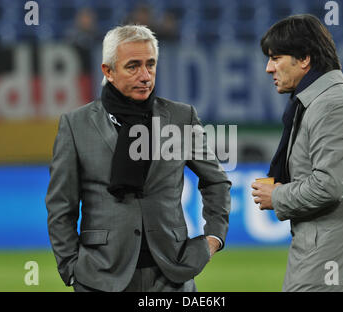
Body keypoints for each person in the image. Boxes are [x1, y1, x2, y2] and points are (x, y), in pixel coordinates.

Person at [45, 25, 231, 292]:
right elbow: (61, 205)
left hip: (172, 274)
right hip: (100, 276)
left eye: (150, 65)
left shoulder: (181, 118)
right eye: (133, 66)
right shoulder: (76, 125)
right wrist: (71, 267)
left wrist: (213, 239)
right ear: (108, 71)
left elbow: (216, 181)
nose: (145, 75)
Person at [251, 14, 343, 291]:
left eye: (276, 57)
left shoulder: (332, 106)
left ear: (304, 59)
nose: (269, 68)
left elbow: (328, 186)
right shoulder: (329, 101)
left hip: (336, 271)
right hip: (333, 263)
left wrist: (276, 195)